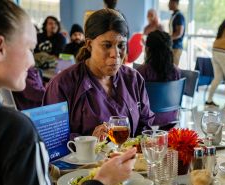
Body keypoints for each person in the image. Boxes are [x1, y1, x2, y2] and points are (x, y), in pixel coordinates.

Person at [0, 1, 137, 185]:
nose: (31, 61)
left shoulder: (132, 79)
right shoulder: (14, 131)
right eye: (28, 49)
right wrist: (101, 181)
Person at [43, 9, 154, 139]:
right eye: (107, 45)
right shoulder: (62, 85)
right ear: (89, 44)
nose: (115, 54)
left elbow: (147, 127)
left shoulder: (133, 80)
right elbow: (52, 139)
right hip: (83, 159)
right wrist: (88, 140)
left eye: (121, 45)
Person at [137, 30, 181, 128]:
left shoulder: (141, 71)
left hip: (147, 119)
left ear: (148, 49)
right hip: (170, 118)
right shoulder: (176, 71)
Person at [168, 0, 185, 66]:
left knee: (173, 69)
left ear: (175, 3)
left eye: (170, 3)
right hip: (171, 45)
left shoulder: (179, 16)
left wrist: (167, 38)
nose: (168, 5)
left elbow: (179, 33)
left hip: (176, 46)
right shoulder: (174, 15)